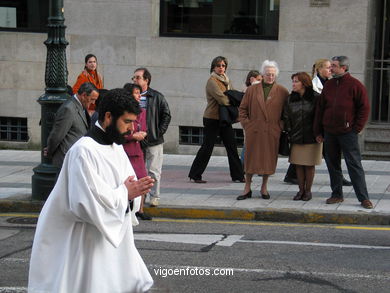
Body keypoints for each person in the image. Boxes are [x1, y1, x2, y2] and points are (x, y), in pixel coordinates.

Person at [28, 88, 155, 293]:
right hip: (82, 242)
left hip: (106, 242)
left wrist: (133, 195)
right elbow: (84, 205)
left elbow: (127, 187)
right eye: (127, 122)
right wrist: (126, 194)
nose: (131, 129)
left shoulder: (116, 147)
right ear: (108, 117)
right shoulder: (83, 152)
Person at [314, 56, 373, 209]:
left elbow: (364, 108)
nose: (330, 68)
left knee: (354, 165)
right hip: (330, 132)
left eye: (333, 66)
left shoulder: (355, 85)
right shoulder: (329, 85)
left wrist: (356, 129)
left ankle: (363, 198)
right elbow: (321, 108)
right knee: (333, 165)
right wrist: (318, 130)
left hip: (348, 133)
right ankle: (336, 194)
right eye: (330, 66)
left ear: (343, 68)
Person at [284, 59, 352, 186]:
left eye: (331, 67)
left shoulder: (330, 83)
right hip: (307, 129)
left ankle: (336, 177)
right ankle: (293, 176)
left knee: (321, 156)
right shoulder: (314, 85)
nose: (330, 69)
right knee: (313, 156)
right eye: (327, 67)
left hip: (317, 128)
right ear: (319, 69)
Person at [237, 60, 289, 200]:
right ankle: (247, 188)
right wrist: (247, 125)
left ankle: (264, 187)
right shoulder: (252, 90)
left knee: (268, 160)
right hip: (254, 130)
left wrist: (280, 127)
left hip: (271, 131)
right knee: (250, 160)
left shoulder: (282, 91)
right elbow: (242, 109)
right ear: (262, 74)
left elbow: (286, 113)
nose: (270, 77)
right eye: (267, 74)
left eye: (272, 74)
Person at [188, 56, 245, 184]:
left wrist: (232, 97)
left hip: (225, 119)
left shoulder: (227, 80)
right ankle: (195, 174)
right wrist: (233, 99)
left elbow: (232, 96)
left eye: (223, 65)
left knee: (232, 146)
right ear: (213, 67)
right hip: (212, 118)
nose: (221, 68)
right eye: (218, 65)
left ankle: (238, 176)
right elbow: (222, 99)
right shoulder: (212, 81)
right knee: (207, 147)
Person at [132, 67, 171, 207]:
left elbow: (166, 115)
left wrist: (158, 132)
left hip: (154, 140)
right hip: (136, 141)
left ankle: (154, 196)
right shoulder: (131, 96)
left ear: (146, 80)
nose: (135, 80)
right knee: (138, 170)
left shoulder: (157, 96)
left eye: (138, 77)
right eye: (134, 78)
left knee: (154, 170)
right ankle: (139, 198)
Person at [283, 72, 322, 201]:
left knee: (310, 165)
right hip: (296, 136)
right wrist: (289, 131)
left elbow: (320, 117)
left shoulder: (316, 98)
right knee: (298, 164)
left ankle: (308, 191)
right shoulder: (289, 99)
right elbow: (286, 117)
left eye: (296, 81)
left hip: (312, 137)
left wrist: (320, 133)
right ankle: (300, 190)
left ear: (304, 83)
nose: (293, 84)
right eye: (293, 81)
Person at [45, 82, 99, 169]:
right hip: (66, 160)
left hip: (75, 159)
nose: (93, 103)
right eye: (92, 99)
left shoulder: (81, 107)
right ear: (84, 95)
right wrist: (49, 151)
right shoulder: (68, 109)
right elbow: (57, 135)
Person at [123, 83, 151, 220]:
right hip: (125, 150)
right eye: (136, 93)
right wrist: (132, 136)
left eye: (140, 93)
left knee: (143, 178)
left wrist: (141, 134)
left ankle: (140, 209)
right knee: (127, 180)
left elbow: (144, 128)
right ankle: (128, 207)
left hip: (137, 150)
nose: (139, 95)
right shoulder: (123, 111)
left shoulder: (142, 111)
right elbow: (122, 132)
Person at [241, 70, 262, 166]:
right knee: (248, 143)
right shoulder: (248, 90)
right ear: (252, 79)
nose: (260, 82)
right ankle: (243, 165)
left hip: (255, 120)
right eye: (258, 80)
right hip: (249, 121)